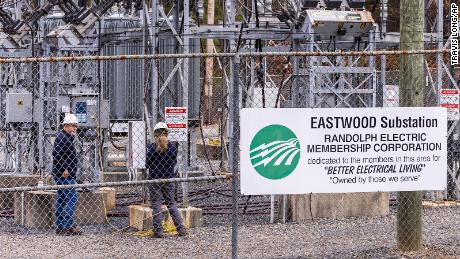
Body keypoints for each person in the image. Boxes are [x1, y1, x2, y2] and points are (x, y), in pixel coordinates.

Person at [146, 122, 187, 238]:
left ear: (155, 134)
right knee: (171, 204)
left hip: (154, 180)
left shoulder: (151, 148)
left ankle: (158, 231)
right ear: (167, 133)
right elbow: (173, 163)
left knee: (156, 205)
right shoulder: (172, 148)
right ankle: (181, 229)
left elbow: (147, 164)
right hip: (168, 179)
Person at [52, 113, 82, 235]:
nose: (75, 128)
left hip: (62, 174)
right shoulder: (63, 137)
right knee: (72, 198)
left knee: (62, 199)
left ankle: (60, 226)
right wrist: (64, 169)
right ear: (66, 125)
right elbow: (56, 154)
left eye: (76, 126)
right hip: (65, 175)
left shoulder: (64, 137)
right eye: (73, 126)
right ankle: (68, 225)